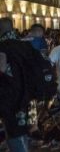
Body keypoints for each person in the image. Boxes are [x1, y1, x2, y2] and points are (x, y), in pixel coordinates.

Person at [0, 18, 30, 152]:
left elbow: (1, 69)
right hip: (27, 92)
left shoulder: (3, 46)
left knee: (12, 129)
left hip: (9, 93)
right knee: (22, 127)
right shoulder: (23, 44)